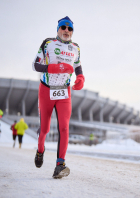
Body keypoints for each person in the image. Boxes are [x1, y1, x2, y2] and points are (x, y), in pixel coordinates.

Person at [32, 16, 85, 179]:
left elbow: (77, 65)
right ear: (58, 29)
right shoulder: (48, 43)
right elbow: (35, 65)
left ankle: (60, 164)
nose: (66, 31)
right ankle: (40, 150)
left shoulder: (76, 47)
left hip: (64, 92)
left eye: (70, 29)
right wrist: (53, 68)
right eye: (63, 28)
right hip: (46, 90)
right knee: (45, 129)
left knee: (64, 127)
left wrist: (81, 77)